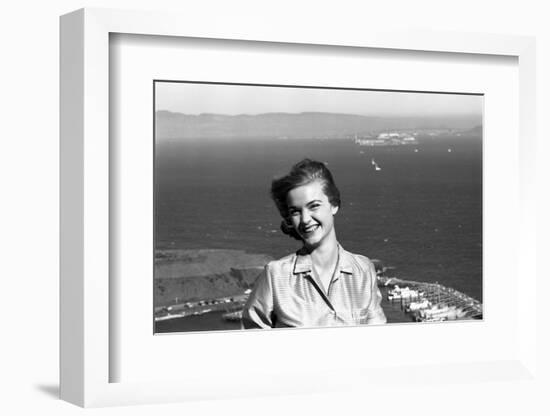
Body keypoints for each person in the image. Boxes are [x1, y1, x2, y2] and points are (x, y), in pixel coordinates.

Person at [242, 158, 386, 329]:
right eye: (295, 211)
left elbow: (378, 340)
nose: (305, 219)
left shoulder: (363, 270)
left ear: (334, 205)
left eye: (314, 206)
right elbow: (251, 346)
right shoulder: (275, 276)